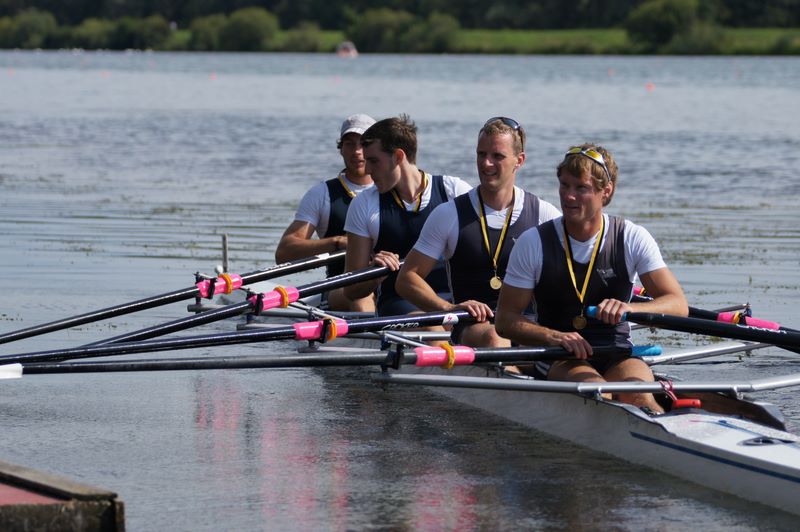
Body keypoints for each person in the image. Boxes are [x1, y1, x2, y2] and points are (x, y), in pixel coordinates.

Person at [495, 144, 688, 413]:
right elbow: (505, 320)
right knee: (598, 392)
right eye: (564, 185)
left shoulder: (631, 237)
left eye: (581, 188)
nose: (569, 196)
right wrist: (553, 336)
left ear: (605, 191)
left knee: (641, 397)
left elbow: (678, 304)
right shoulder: (533, 242)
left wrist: (630, 308)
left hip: (616, 353)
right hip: (560, 356)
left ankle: (660, 427)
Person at [395, 117, 560, 347]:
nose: (486, 164)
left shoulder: (544, 214)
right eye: (481, 154)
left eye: (497, 156)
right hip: (474, 326)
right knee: (495, 337)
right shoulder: (449, 214)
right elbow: (406, 279)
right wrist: (448, 308)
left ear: (519, 160)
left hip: (528, 325)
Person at [342, 114, 472, 316]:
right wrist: (374, 273)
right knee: (432, 328)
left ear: (398, 157)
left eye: (373, 161)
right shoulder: (364, 204)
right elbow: (351, 291)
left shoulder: (454, 191)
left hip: (455, 301)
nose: (367, 170)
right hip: (399, 305)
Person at [275, 113, 376, 311]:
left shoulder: (392, 191)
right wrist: (337, 243)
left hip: (386, 285)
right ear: (341, 149)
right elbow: (284, 252)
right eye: (349, 144)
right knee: (361, 299)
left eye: (363, 144)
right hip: (342, 288)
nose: (357, 151)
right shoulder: (322, 194)